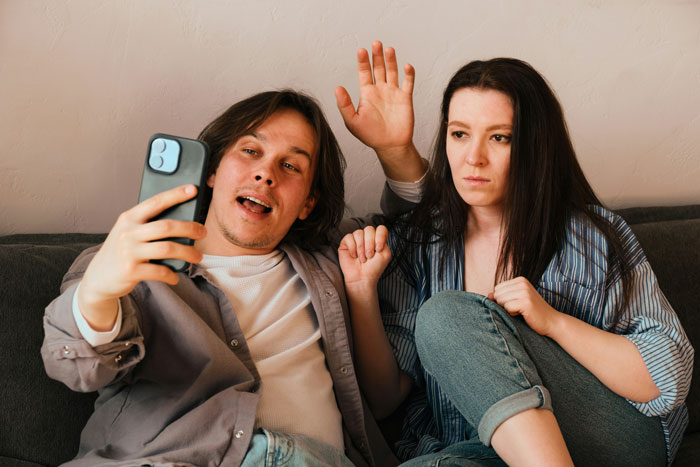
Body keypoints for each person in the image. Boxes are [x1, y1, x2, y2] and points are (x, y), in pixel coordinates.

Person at [336, 46, 694, 466]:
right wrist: (361, 293)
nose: (474, 157)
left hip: (612, 439)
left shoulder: (591, 235)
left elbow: (667, 378)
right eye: (459, 133)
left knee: (445, 315)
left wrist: (554, 323)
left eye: (500, 137)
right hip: (479, 447)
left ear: (534, 146)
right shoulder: (419, 241)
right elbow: (384, 399)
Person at [41, 89, 411, 466]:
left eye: (291, 166)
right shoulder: (132, 261)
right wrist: (96, 294)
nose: (265, 173)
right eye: (251, 151)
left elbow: (427, 226)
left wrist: (395, 150)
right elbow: (73, 363)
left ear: (308, 204)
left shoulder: (334, 258)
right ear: (213, 171)